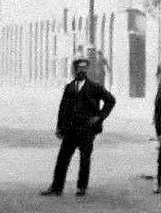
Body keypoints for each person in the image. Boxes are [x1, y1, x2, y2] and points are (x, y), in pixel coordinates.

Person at [41, 58, 116, 197]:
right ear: (75, 69)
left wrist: (99, 117)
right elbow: (62, 108)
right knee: (63, 158)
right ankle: (57, 187)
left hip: (87, 130)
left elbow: (111, 100)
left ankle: (82, 187)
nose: (82, 70)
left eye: (85, 67)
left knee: (85, 158)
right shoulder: (69, 87)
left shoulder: (94, 87)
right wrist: (59, 127)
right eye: (80, 67)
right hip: (70, 130)